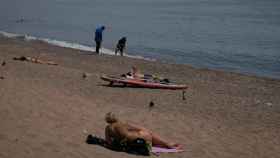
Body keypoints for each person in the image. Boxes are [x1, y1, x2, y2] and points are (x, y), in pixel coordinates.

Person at [104, 112, 182, 151]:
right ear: (116, 118)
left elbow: (108, 142)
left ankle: (165, 145)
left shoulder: (107, 128)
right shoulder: (122, 123)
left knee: (142, 134)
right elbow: (140, 128)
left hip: (129, 144)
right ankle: (168, 144)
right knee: (147, 132)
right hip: (139, 141)